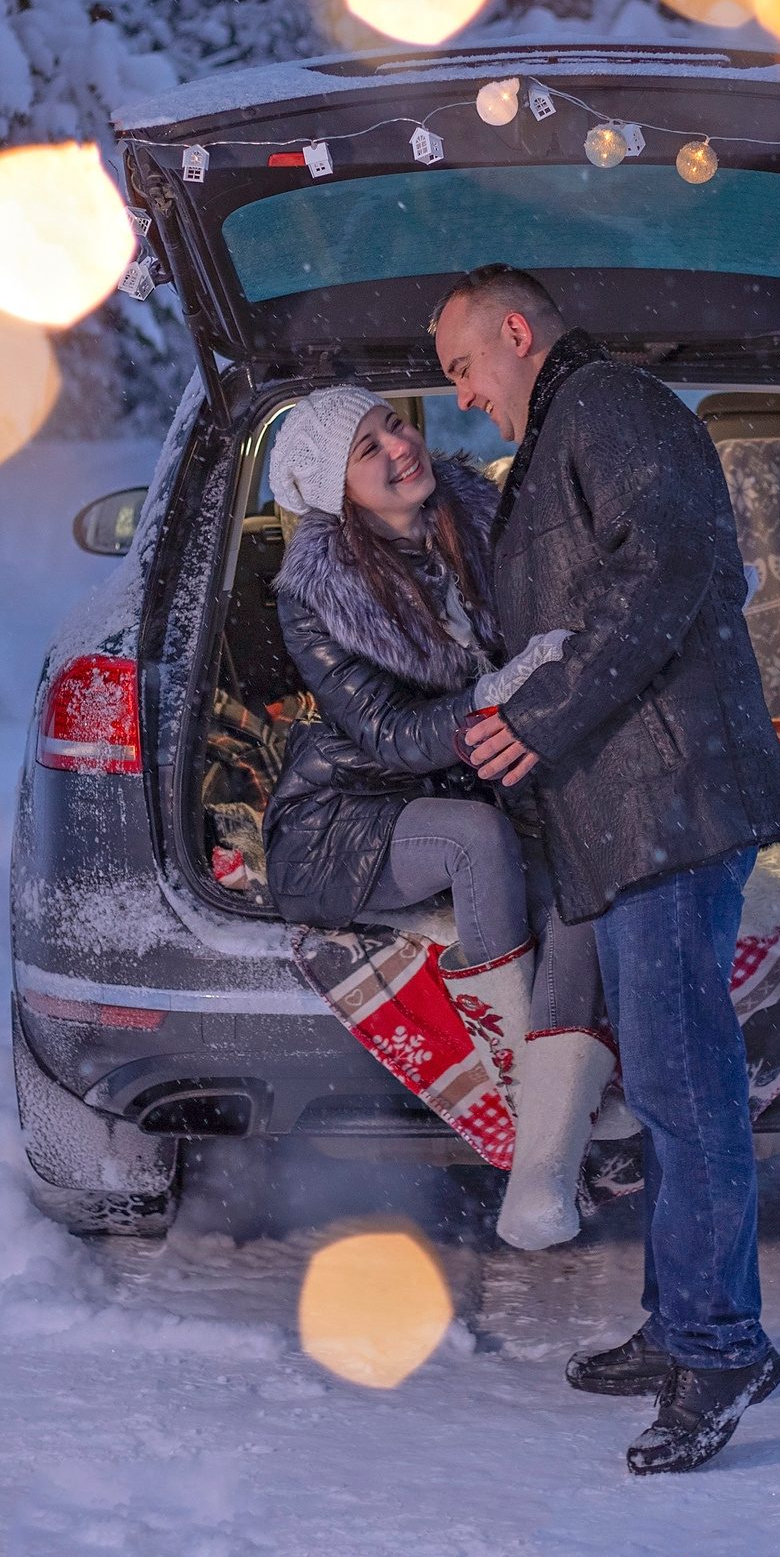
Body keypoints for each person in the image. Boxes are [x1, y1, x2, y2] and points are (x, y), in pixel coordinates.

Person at [431, 264, 780, 1475]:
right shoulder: (561, 436)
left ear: (517, 332)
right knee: (665, 1089)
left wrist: (538, 715)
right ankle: (678, 1320)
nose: (464, 397)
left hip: (673, 802)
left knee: (688, 1093)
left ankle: (721, 1344)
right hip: (637, 809)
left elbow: (667, 573)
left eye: (463, 367)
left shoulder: (613, 412)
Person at [261, 386, 612, 1249]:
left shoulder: (483, 515)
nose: (398, 447)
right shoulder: (315, 592)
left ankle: (545, 1164)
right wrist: (496, 694)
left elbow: (570, 604)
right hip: (348, 810)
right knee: (478, 839)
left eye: (393, 424)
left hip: (479, 776)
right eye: (366, 449)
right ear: (333, 491)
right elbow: (385, 731)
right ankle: (532, 1121)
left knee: (585, 875)